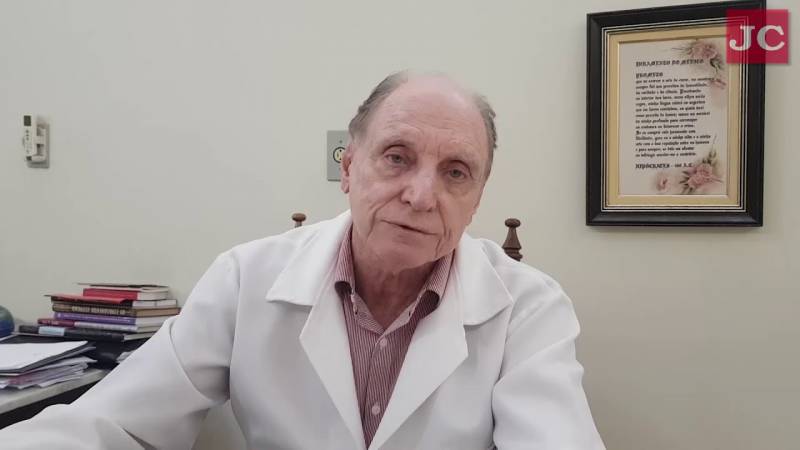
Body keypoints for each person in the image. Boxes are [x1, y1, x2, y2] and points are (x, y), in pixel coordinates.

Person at [1, 71, 605, 449]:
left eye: (456, 173)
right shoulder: (246, 278)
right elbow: (113, 424)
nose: (422, 196)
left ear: (477, 198)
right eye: (397, 157)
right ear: (350, 167)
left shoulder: (529, 307)